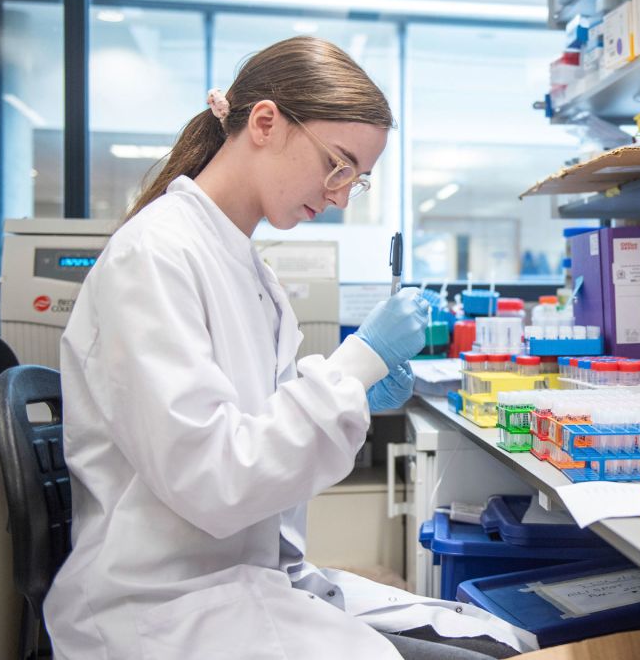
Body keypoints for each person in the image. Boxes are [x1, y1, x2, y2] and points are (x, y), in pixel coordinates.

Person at [44, 37, 536, 660]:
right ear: (266, 122)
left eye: (354, 180)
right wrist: (355, 367)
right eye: (338, 163)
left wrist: (352, 382)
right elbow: (216, 477)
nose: (337, 194)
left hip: (243, 581)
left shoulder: (246, 267)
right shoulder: (156, 255)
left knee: (499, 639)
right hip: (163, 609)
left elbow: (253, 424)